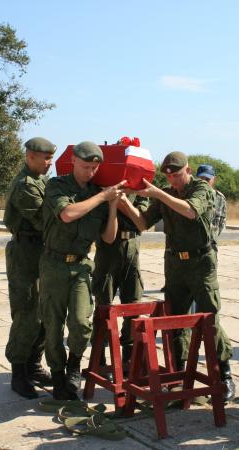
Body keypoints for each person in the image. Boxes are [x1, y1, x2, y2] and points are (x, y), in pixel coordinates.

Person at [119, 151, 236, 402]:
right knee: (174, 320)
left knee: (209, 318)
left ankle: (224, 374)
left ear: (188, 170)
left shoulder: (201, 188)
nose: (173, 180)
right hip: (174, 263)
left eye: (177, 174)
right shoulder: (164, 193)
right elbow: (142, 223)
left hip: (201, 262)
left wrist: (159, 194)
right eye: (168, 176)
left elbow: (192, 211)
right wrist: (122, 201)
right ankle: (179, 375)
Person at [40, 141, 125, 400]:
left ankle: (74, 365)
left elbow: (109, 238)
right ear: (74, 161)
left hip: (80, 266)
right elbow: (67, 214)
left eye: (94, 168)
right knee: (53, 326)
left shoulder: (100, 194)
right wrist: (102, 197)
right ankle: (57, 375)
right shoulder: (57, 186)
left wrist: (112, 206)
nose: (89, 172)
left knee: (80, 322)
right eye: (85, 166)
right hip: (54, 265)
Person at [3, 137, 56, 399]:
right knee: (26, 312)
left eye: (51, 158)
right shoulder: (24, 185)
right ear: (30, 156)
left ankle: (34, 364)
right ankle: (18, 372)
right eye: (45, 158)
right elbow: (43, 220)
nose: (50, 162)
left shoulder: (41, 181)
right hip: (25, 252)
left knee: (44, 311)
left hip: (42, 251)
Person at [91, 193, 148, 371]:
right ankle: (99, 359)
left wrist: (121, 202)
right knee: (104, 307)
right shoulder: (104, 188)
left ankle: (129, 359)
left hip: (132, 249)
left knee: (134, 306)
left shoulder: (139, 192)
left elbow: (143, 220)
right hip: (108, 250)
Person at [196, 164, 227, 252]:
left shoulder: (220, 198)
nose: (204, 182)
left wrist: (213, 235)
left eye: (207, 179)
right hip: (191, 246)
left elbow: (222, 222)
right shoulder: (190, 195)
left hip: (210, 247)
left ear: (214, 179)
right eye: (201, 179)